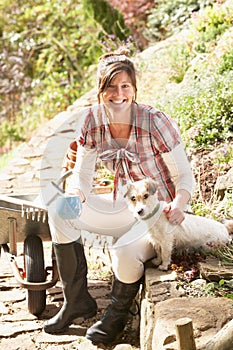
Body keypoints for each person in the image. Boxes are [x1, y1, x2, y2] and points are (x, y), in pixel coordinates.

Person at [43, 47, 195, 345]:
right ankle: (76, 302)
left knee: (124, 252)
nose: (118, 93)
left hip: (157, 215)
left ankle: (116, 315)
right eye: (111, 86)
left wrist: (179, 204)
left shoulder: (154, 121)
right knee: (60, 210)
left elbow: (184, 176)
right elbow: (83, 174)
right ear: (101, 91)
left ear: (134, 89)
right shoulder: (92, 121)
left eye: (125, 86)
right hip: (123, 206)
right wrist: (76, 193)